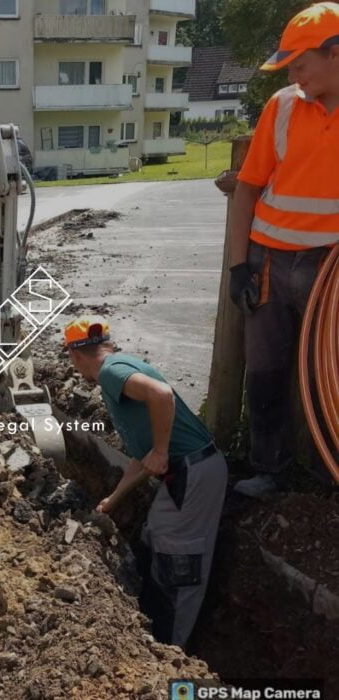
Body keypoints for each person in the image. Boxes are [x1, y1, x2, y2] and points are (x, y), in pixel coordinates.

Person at [229, 2, 339, 499]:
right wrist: (238, 266)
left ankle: (326, 475)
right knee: (266, 370)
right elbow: (249, 188)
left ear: (335, 53)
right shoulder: (284, 106)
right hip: (269, 261)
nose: (293, 74)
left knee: (329, 376)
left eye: (300, 63)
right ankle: (268, 471)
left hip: (330, 269)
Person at [63, 317, 228, 649]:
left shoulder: (111, 372)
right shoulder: (120, 369)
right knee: (153, 536)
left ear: (75, 356)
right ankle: (149, 622)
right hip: (184, 472)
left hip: (192, 473)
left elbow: (162, 394)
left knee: (177, 562)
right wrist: (115, 498)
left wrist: (163, 451)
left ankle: (169, 652)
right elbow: (143, 455)